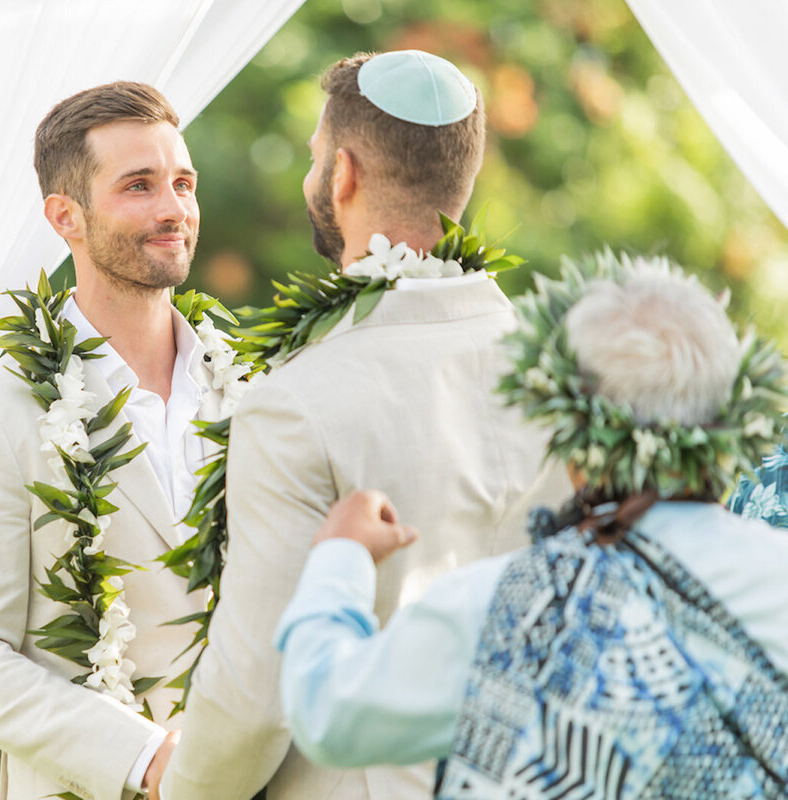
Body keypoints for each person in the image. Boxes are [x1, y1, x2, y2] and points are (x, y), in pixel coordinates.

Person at [153, 51, 569, 800]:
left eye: (315, 157)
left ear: (342, 174)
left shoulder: (296, 402)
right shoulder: (565, 374)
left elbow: (258, 687)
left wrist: (182, 788)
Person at [276, 257, 788, 798]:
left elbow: (328, 715)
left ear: (576, 439)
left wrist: (340, 556)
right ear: (730, 421)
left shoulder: (514, 606)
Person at [0, 82, 227, 800]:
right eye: (139, 186)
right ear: (66, 217)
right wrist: (144, 757)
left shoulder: (255, 390)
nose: (172, 209)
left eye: (183, 183)